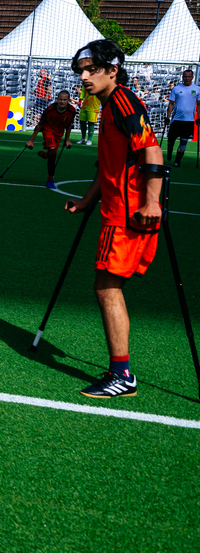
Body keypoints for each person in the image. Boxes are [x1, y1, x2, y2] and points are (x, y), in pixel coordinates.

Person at [64, 39, 162, 399]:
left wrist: (152, 202)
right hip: (115, 210)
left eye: (92, 70)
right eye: (81, 72)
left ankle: (122, 375)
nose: (85, 77)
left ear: (112, 70)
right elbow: (109, 165)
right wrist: (86, 201)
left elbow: (151, 150)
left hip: (127, 213)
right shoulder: (108, 105)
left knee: (107, 288)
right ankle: (121, 372)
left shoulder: (121, 101)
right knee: (108, 287)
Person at [26, 89, 76, 189]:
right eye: (60, 99)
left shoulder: (72, 111)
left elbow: (69, 125)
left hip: (59, 133)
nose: (62, 101)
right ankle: (50, 179)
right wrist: (31, 140)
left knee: (52, 154)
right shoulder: (50, 109)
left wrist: (67, 140)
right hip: (48, 129)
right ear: (57, 99)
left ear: (68, 101)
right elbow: (40, 124)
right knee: (53, 150)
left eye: (65, 100)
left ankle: (46, 155)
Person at [165, 68, 199, 167]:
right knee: (171, 140)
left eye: (189, 77)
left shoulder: (197, 89)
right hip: (176, 119)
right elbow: (171, 103)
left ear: (192, 77)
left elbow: (199, 104)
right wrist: (168, 117)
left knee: (184, 141)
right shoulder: (176, 88)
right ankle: (170, 153)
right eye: (185, 76)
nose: (187, 78)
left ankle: (177, 161)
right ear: (182, 77)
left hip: (189, 120)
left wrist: (199, 117)